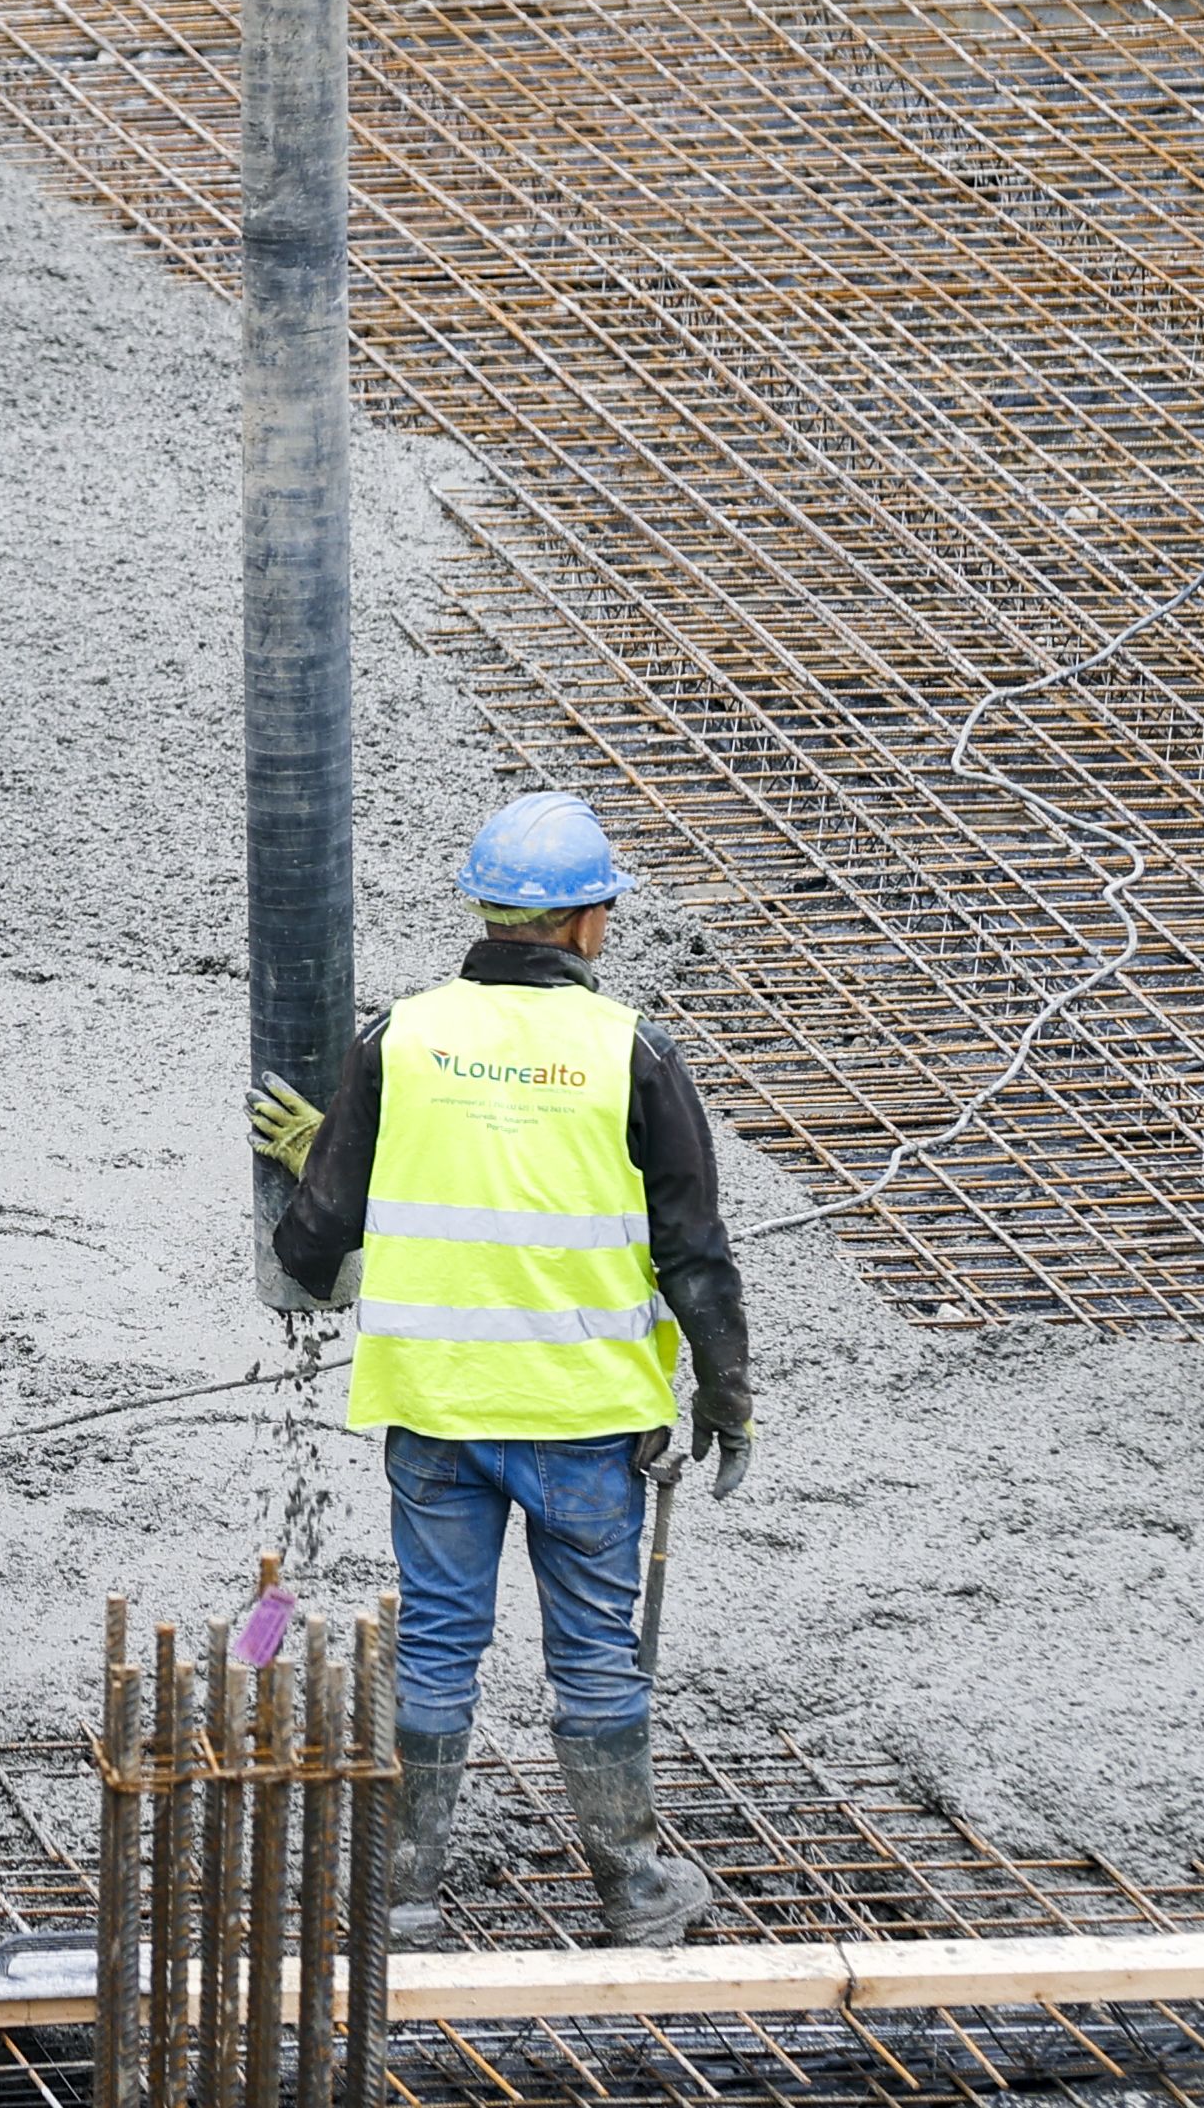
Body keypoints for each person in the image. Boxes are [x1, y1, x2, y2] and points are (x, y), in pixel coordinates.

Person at [247, 791, 752, 1951]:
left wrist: (325, 1149)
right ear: (590, 922)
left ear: (483, 908)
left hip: (434, 1412)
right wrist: (726, 1393)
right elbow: (695, 1252)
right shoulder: (635, 1052)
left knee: (433, 1642)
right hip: (583, 1419)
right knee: (590, 1649)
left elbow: (309, 1242)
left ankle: (406, 1893)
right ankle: (628, 1884)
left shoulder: (399, 1039)